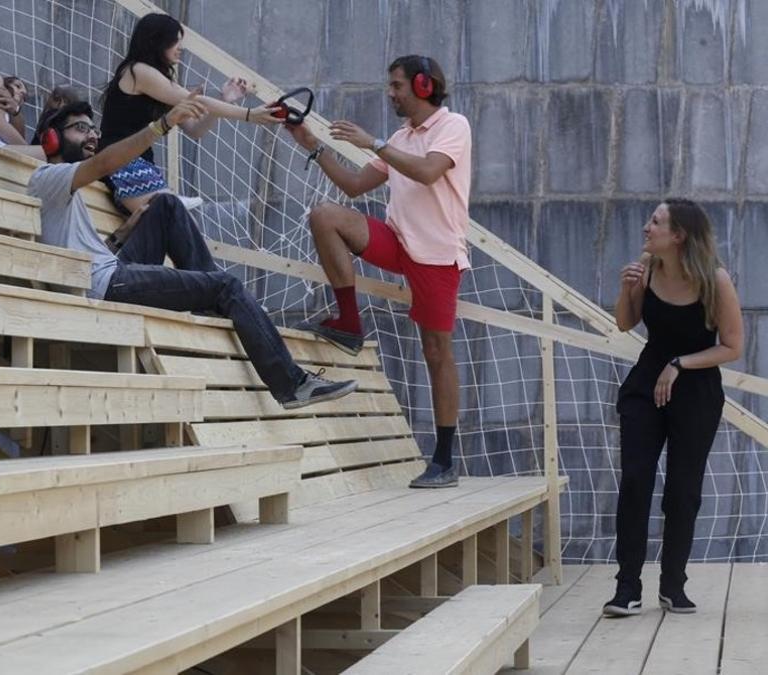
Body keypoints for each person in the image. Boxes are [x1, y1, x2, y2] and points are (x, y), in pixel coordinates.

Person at [27, 96, 357, 410]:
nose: (92, 135)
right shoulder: (47, 178)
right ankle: (292, 385)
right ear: (52, 140)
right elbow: (105, 162)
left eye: (93, 128)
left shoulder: (61, 191)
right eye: (80, 128)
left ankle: (213, 302)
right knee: (227, 285)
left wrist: (122, 236)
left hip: (107, 272)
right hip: (105, 286)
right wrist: (163, 124)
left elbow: (85, 251)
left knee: (166, 205)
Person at [284, 55, 471, 488]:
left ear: (424, 86)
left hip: (437, 256)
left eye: (397, 86)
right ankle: (349, 322)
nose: (391, 93)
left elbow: (427, 173)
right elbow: (352, 186)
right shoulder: (401, 136)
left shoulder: (452, 125)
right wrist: (309, 141)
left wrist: (374, 144)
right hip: (398, 240)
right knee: (325, 216)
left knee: (436, 354)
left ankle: (445, 459)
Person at [603, 200, 742, 617]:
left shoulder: (715, 280)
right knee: (635, 481)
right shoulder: (647, 266)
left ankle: (672, 584)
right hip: (646, 386)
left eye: (656, 222)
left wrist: (680, 364)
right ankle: (627, 587)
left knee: (683, 491)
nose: (647, 227)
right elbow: (626, 323)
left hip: (696, 392)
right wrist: (628, 289)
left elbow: (732, 347)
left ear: (679, 235)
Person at [99, 12, 278, 220]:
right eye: (175, 41)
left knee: (173, 221)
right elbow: (197, 102)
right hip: (119, 162)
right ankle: (165, 199)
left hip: (141, 167)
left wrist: (225, 99)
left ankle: (165, 198)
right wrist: (249, 114)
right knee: (170, 218)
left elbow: (195, 130)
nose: (180, 48)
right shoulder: (138, 71)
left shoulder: (158, 84)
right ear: (156, 42)